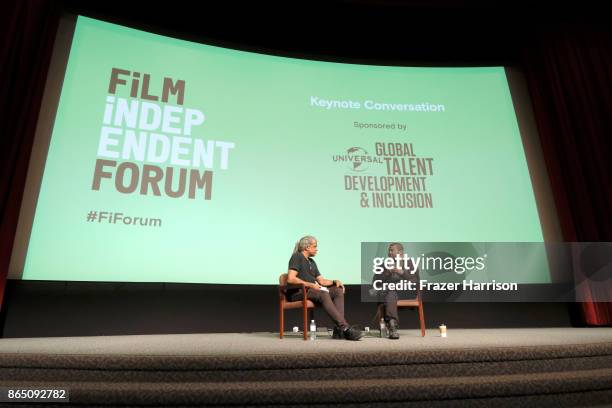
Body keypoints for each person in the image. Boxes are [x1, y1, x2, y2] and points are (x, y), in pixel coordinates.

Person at [286, 235, 362, 341]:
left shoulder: (312, 262)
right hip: (298, 292)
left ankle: (338, 330)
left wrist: (335, 281)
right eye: (315, 246)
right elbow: (291, 278)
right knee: (322, 293)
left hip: (312, 291)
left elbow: (322, 281)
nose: (317, 249)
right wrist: (311, 284)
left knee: (337, 290)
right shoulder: (297, 257)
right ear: (307, 247)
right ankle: (344, 327)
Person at [376, 242, 418, 339]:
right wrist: (387, 273)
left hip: (406, 292)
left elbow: (416, 280)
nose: (389, 253)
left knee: (390, 293)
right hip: (390, 293)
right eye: (389, 250)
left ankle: (391, 325)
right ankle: (392, 325)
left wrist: (402, 272)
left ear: (400, 252)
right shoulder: (384, 264)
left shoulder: (410, 263)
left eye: (391, 250)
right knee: (390, 292)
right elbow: (376, 281)